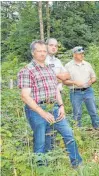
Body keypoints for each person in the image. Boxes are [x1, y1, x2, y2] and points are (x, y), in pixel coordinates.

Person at [17, 40, 82, 168]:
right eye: (39, 51)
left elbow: (56, 89)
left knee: (68, 133)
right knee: (41, 142)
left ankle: (77, 165)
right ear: (33, 52)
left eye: (44, 51)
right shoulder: (27, 70)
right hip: (37, 110)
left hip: (54, 107)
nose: (42, 54)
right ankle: (42, 169)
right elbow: (25, 96)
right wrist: (42, 112)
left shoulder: (49, 69)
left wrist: (61, 106)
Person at [63, 46, 99, 129]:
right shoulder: (68, 66)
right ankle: (78, 132)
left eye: (83, 53)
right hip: (75, 92)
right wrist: (74, 82)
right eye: (80, 54)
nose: (82, 55)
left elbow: (94, 77)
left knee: (93, 111)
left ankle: (98, 129)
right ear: (74, 55)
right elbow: (64, 81)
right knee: (77, 114)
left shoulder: (87, 64)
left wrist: (91, 81)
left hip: (88, 91)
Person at [45, 38, 70, 150]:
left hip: (58, 96)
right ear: (46, 46)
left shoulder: (57, 61)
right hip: (46, 98)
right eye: (51, 45)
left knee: (57, 124)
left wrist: (56, 78)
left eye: (55, 45)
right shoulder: (43, 60)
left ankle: (54, 150)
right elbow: (45, 79)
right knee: (48, 127)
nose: (54, 47)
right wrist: (58, 78)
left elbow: (67, 76)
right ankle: (49, 152)